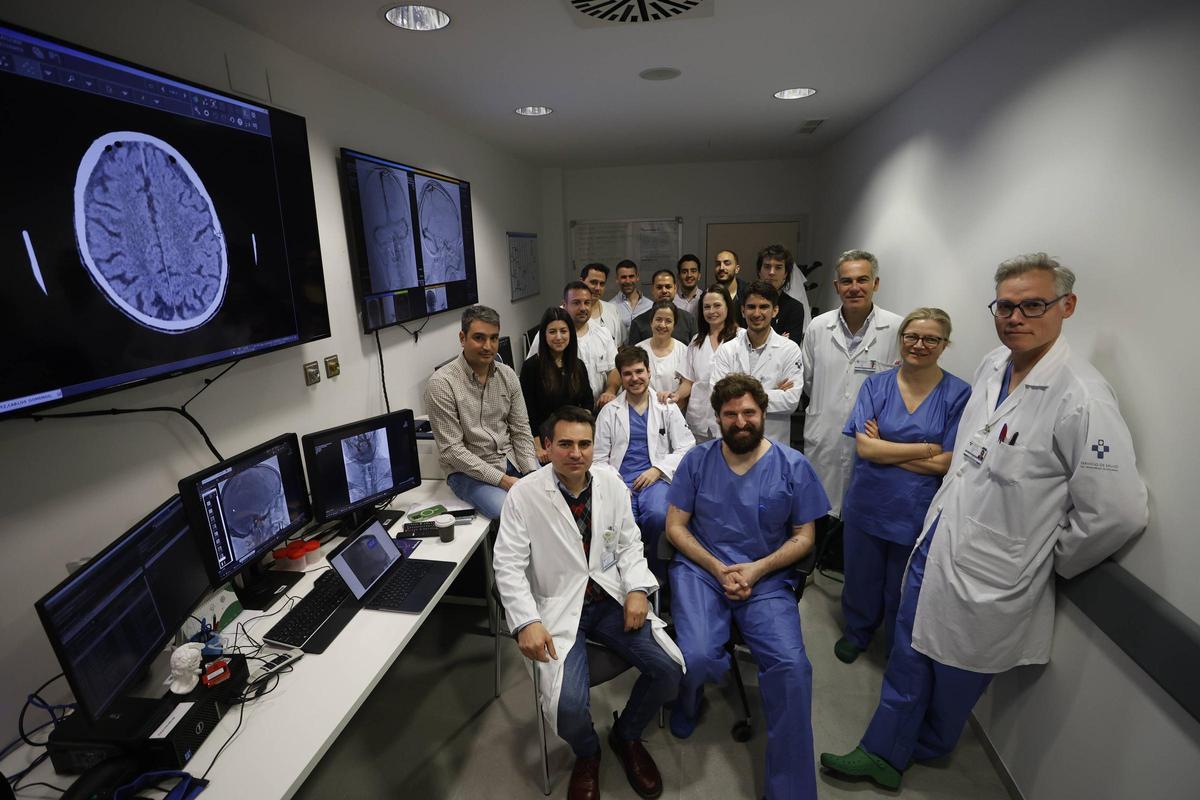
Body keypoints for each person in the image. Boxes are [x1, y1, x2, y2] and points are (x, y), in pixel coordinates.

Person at [820, 253, 1148, 791]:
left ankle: (923, 746)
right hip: (940, 539)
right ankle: (882, 749)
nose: (1015, 317)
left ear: (1067, 306)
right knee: (909, 650)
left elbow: (1118, 512)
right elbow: (961, 455)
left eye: (1032, 305)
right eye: (1005, 306)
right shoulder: (995, 366)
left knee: (955, 672)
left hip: (998, 568)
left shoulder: (1081, 398)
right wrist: (918, 456)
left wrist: (1050, 558)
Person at [494, 406, 685, 800]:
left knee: (669, 670)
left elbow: (630, 542)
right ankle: (588, 752)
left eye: (584, 444)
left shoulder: (611, 484)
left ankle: (626, 734)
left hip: (610, 599)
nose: (576, 453)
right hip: (558, 609)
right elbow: (508, 566)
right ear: (546, 447)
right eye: (565, 444)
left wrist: (635, 589)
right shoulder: (524, 496)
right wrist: (526, 620)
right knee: (567, 709)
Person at [666, 374, 830, 800]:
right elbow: (676, 528)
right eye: (730, 414)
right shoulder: (696, 462)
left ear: (763, 413)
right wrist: (718, 567)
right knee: (697, 655)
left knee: (793, 669)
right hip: (703, 570)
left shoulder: (793, 466)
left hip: (768, 579)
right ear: (718, 418)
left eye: (748, 413)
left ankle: (790, 790)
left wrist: (756, 570)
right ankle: (688, 701)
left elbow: (804, 537)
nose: (740, 421)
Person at [833, 308, 971, 665]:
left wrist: (886, 451)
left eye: (931, 339)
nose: (919, 345)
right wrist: (927, 448)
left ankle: (899, 645)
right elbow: (865, 448)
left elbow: (948, 461)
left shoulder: (958, 394)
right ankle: (857, 632)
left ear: (945, 344)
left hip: (916, 509)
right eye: (912, 337)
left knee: (904, 584)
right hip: (868, 501)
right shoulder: (876, 385)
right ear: (901, 339)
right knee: (861, 576)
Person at [801, 249, 903, 520]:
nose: (854, 288)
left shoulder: (896, 329)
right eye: (847, 281)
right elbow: (808, 381)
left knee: (862, 513)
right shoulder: (818, 327)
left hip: (874, 437)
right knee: (822, 511)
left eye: (862, 280)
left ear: (876, 284)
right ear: (837, 287)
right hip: (824, 434)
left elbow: (902, 385)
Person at [426, 305, 540, 520]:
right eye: (479, 338)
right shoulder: (442, 384)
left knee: (551, 497)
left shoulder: (508, 375)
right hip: (468, 472)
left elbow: (521, 429)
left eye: (494, 338)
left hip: (511, 458)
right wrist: (506, 482)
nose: (488, 346)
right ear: (462, 337)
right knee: (512, 514)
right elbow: (453, 451)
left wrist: (531, 474)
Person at [594, 346, 695, 579]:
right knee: (618, 522)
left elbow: (687, 446)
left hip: (656, 481)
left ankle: (656, 577)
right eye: (627, 373)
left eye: (639, 371)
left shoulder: (666, 407)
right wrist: (617, 484)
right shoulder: (609, 412)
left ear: (649, 372)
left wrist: (658, 469)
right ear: (621, 377)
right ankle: (624, 580)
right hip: (620, 483)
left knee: (659, 516)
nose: (635, 378)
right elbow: (599, 459)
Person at [710, 281, 804, 444]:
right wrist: (772, 393)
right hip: (733, 441)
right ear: (742, 310)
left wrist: (736, 394)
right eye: (751, 307)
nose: (757, 313)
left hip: (772, 441)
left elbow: (791, 401)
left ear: (775, 310)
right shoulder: (727, 350)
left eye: (764, 307)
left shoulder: (789, 350)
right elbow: (717, 396)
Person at [527, 282, 621, 406]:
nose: (583, 308)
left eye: (587, 302)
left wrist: (610, 391)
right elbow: (532, 374)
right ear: (564, 305)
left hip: (599, 409)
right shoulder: (548, 336)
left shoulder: (603, 333)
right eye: (576, 303)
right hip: (561, 416)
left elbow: (613, 369)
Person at [520, 307, 595, 462]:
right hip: (545, 443)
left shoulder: (578, 365)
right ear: (544, 335)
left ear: (571, 334)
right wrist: (538, 447)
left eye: (563, 331)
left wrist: (582, 432)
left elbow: (588, 401)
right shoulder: (531, 367)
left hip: (574, 437)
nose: (559, 337)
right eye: (552, 332)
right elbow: (527, 412)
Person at [674, 284, 740, 441]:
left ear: (728, 307)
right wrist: (675, 395)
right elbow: (688, 382)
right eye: (707, 307)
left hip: (732, 416)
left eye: (717, 305)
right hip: (699, 418)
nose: (712, 311)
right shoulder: (696, 341)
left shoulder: (742, 338)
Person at [627, 269, 697, 345]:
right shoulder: (638, 323)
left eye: (668, 287)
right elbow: (632, 355)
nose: (664, 291)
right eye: (659, 287)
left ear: (675, 288)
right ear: (653, 290)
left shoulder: (689, 320)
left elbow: (695, 353)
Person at [756, 244, 808, 342]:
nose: (772, 272)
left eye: (778, 267)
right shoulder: (745, 302)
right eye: (767, 267)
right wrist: (779, 340)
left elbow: (790, 350)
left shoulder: (794, 308)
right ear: (759, 271)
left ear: (785, 274)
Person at [635, 300, 687, 396]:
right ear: (651, 322)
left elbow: (687, 384)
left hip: (674, 407)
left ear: (674, 325)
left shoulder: (684, 351)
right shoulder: (637, 350)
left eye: (668, 321)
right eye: (658, 319)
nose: (662, 325)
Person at [580, 262, 622, 344]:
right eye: (593, 282)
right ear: (582, 282)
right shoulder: (566, 312)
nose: (598, 288)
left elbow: (620, 345)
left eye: (602, 284)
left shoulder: (612, 310)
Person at [613, 259, 652, 345]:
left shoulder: (650, 306)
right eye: (623, 277)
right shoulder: (610, 307)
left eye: (631, 276)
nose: (628, 281)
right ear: (617, 279)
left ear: (637, 277)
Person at [713, 249, 747, 325]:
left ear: (737, 269)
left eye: (727, 263)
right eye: (718, 264)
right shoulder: (708, 295)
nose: (721, 267)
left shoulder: (748, 294)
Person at [674, 253, 703, 318]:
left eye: (693, 271)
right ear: (678, 276)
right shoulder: (671, 299)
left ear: (699, 276)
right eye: (684, 272)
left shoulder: (705, 298)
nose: (689, 275)